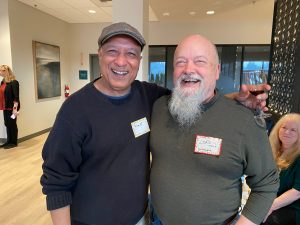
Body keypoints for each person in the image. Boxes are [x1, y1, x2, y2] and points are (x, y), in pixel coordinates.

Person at [40, 22, 271, 225]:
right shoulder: (79, 110)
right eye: (112, 51)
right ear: (99, 55)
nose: (121, 61)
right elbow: (56, 181)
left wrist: (233, 100)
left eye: (131, 53)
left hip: (143, 218)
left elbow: (266, 184)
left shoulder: (149, 97)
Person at [149, 34, 279, 225]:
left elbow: (266, 183)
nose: (188, 69)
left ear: (217, 70)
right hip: (158, 220)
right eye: (180, 62)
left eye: (199, 61)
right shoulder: (158, 107)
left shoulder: (243, 120)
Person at [261, 113, 300, 225]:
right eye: (284, 127)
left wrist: (270, 206)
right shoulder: (272, 149)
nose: (287, 132)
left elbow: (296, 192)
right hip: (271, 198)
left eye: (293, 130)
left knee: (265, 220)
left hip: (293, 206)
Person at [0, 65, 20, 149]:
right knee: (7, 123)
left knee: (12, 123)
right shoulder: (2, 82)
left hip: (12, 108)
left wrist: (15, 109)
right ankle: (8, 141)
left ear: (7, 71)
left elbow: (16, 97)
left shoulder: (14, 82)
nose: (0, 72)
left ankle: (13, 142)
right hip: (5, 107)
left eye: (2, 71)